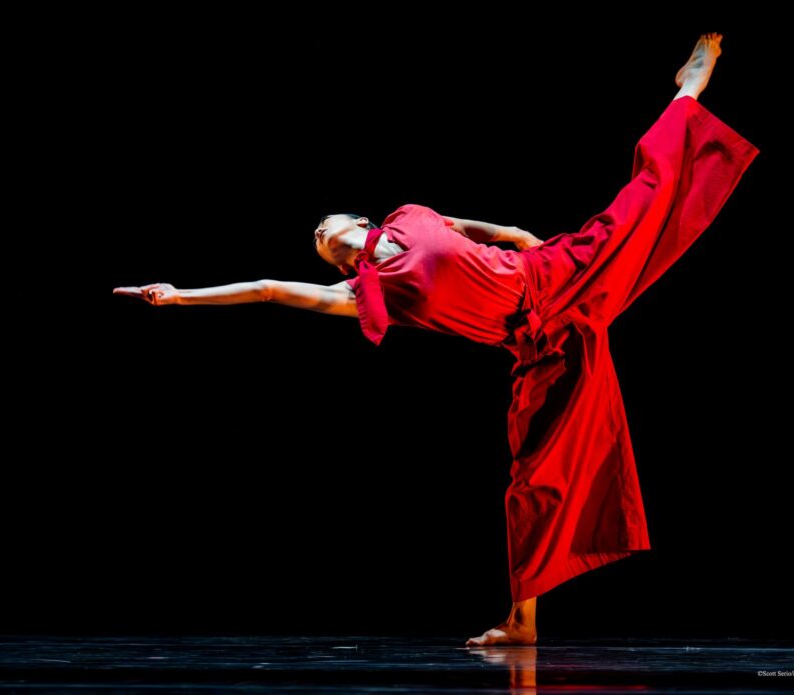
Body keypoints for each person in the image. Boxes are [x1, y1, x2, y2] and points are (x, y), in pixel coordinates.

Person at [114, 33, 759, 646]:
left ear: (358, 219)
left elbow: (461, 223)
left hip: (556, 273)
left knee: (642, 202)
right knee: (533, 484)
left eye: (323, 220)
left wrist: (510, 232)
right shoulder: (366, 292)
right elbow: (266, 289)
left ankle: (688, 90)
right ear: (337, 261)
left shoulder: (408, 214)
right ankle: (523, 621)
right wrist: (179, 297)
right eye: (315, 237)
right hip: (543, 348)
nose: (318, 226)